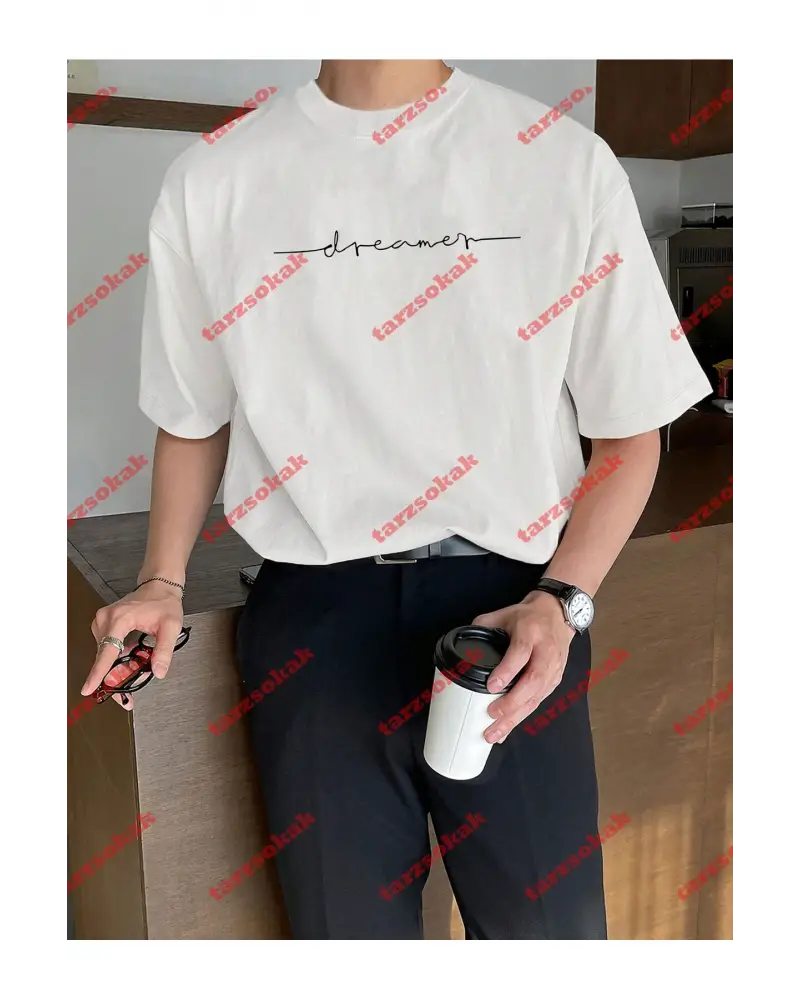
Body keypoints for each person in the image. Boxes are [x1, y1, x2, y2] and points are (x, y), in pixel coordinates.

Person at [80, 59, 711, 939]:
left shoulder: (561, 160)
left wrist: (564, 600)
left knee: (550, 939)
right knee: (344, 940)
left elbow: (630, 430)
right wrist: (161, 581)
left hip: (511, 619)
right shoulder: (214, 178)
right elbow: (192, 417)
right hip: (313, 624)